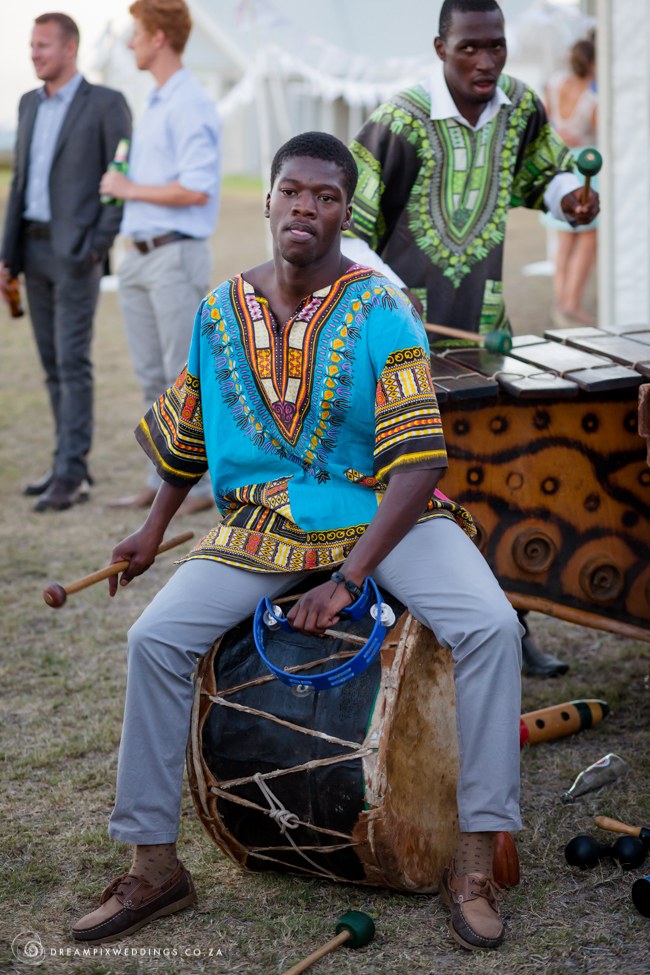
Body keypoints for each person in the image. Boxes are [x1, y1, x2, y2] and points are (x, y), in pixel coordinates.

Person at [72, 132, 523, 953]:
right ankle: (153, 864)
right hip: (262, 525)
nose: (306, 208)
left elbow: (420, 465)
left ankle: (472, 854)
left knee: (490, 626)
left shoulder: (384, 310)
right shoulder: (219, 311)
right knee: (154, 638)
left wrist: (349, 580)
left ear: (345, 214)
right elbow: (189, 438)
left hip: (385, 515)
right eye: (292, 191)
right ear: (271, 198)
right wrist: (151, 528)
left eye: (326, 197)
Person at [342, 0, 600, 677]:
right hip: (406, 345)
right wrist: (392, 297)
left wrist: (570, 195)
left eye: (497, 46)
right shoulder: (396, 123)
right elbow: (348, 232)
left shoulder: (519, 104)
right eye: (470, 49)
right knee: (413, 488)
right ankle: (411, 644)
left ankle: (513, 625)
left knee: (504, 481)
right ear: (439, 48)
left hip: (485, 332)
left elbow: (547, 169)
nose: (486, 62)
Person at [0, 12, 131, 511]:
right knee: (52, 365)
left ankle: (71, 474)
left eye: (43, 45)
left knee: (73, 361)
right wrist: (7, 254)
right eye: (31, 45)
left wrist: (98, 244)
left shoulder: (105, 104)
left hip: (76, 253)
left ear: (70, 48)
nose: (34, 53)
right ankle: (66, 464)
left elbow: (120, 172)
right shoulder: (28, 103)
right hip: (31, 250)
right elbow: (18, 183)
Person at [100, 0, 221, 516]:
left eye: (135, 33)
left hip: (174, 254)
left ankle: (199, 487)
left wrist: (128, 188)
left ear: (158, 39)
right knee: (153, 375)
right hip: (139, 256)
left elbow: (196, 189)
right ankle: (163, 478)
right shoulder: (154, 101)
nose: (129, 43)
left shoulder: (190, 102)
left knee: (182, 377)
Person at [542, 38, 598, 327]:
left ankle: (560, 300)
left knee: (564, 236)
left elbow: (545, 121)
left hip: (558, 162)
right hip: (586, 167)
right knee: (587, 237)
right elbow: (604, 129)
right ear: (593, 63)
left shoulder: (555, 83)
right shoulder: (593, 97)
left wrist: (558, 135)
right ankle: (572, 303)